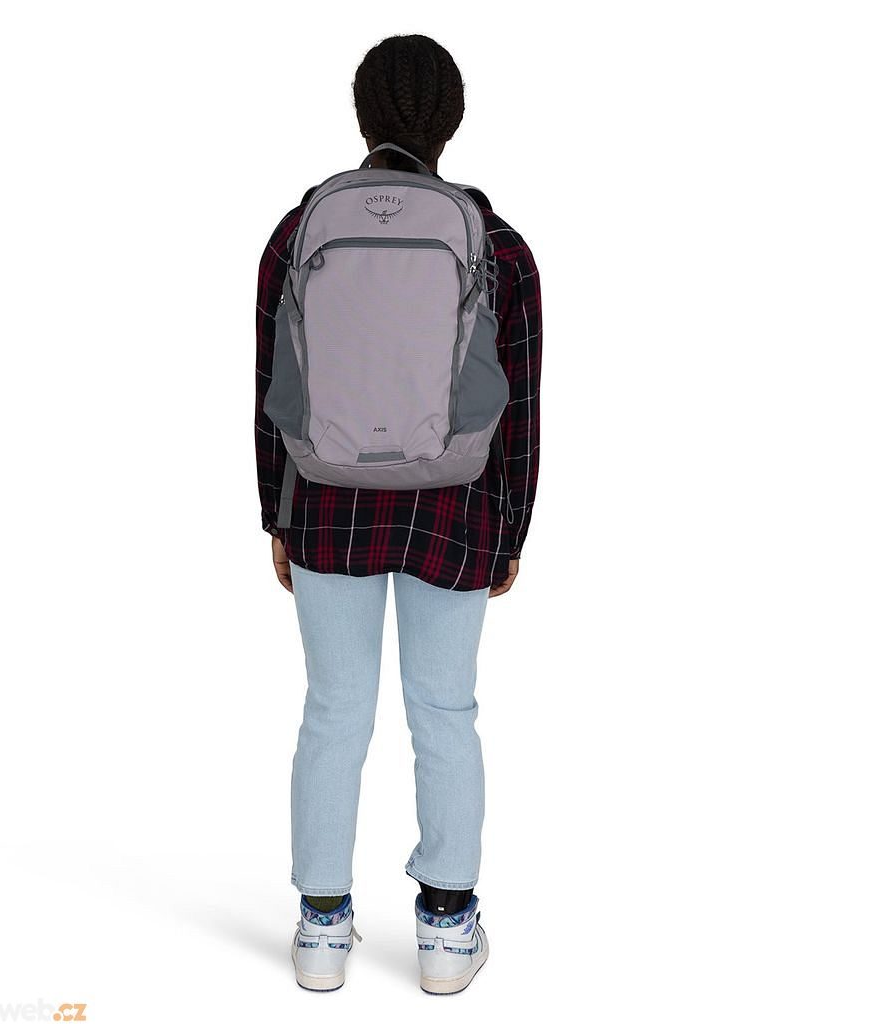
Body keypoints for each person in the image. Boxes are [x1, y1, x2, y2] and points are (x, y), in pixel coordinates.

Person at [253, 33, 542, 994]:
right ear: (452, 119)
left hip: (327, 501)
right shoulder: (498, 245)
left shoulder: (299, 230)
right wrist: (511, 528)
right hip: (456, 503)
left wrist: (277, 514)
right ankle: (448, 934)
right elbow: (521, 404)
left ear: (361, 114)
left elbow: (271, 385)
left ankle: (321, 932)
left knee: (333, 712)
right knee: (444, 711)